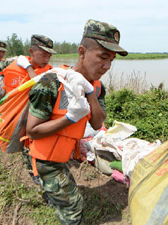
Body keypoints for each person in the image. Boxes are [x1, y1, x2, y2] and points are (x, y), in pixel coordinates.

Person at [25, 19, 128, 224]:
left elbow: (98, 124)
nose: (107, 66)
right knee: (73, 209)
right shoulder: (52, 83)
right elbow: (33, 130)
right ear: (82, 52)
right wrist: (70, 118)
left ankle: (51, 196)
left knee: (61, 194)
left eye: (111, 60)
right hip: (45, 157)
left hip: (64, 153)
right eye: (102, 57)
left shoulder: (97, 87)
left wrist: (90, 94)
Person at [0, 34, 56, 184]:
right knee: (26, 144)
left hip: (38, 115)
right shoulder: (14, 69)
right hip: (19, 115)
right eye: (43, 55)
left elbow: (39, 84)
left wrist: (29, 68)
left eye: (49, 56)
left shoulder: (48, 71)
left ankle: (39, 168)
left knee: (35, 143)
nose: (46, 59)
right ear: (31, 51)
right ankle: (32, 172)